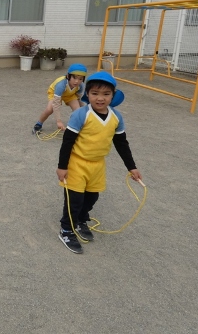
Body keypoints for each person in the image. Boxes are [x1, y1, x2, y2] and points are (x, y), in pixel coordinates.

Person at [56, 72, 143, 254]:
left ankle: (80, 220)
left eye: (106, 94)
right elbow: (67, 141)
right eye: (95, 93)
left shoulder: (116, 117)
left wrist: (132, 167)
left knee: (92, 197)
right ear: (87, 94)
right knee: (74, 200)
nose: (100, 98)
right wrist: (62, 167)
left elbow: (121, 143)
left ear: (113, 95)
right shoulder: (81, 115)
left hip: (97, 165)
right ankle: (66, 229)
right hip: (77, 163)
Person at [32, 64, 88, 133]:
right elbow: (56, 104)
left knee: (78, 110)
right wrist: (58, 121)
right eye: (74, 78)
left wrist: (82, 111)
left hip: (70, 94)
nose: (77, 81)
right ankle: (39, 124)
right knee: (50, 109)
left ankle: (78, 126)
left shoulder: (81, 86)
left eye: (80, 79)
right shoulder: (61, 85)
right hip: (55, 93)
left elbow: (79, 98)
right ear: (68, 76)